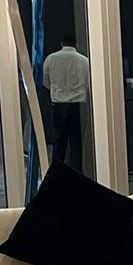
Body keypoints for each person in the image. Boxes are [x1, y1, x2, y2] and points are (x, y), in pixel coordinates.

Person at [42, 33, 90, 171]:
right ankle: (76, 173)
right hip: (78, 105)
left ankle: (58, 174)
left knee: (58, 142)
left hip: (58, 104)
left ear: (61, 43)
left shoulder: (51, 59)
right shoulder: (84, 61)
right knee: (76, 144)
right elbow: (88, 83)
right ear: (76, 44)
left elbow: (46, 82)